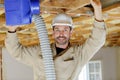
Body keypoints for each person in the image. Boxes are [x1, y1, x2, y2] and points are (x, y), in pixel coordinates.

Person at [5, 0, 106, 80]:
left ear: (71, 32)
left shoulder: (79, 55)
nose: (61, 34)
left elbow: (97, 41)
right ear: (53, 32)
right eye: (57, 29)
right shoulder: (40, 51)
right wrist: (12, 30)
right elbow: (17, 52)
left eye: (65, 30)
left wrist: (98, 9)